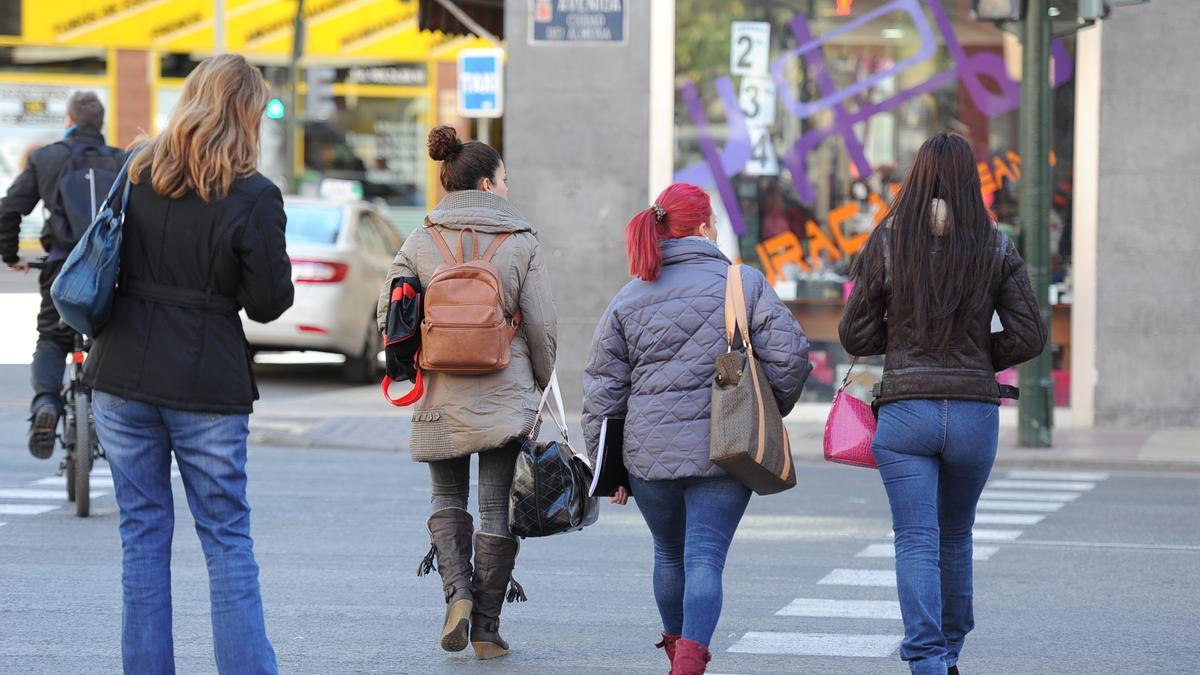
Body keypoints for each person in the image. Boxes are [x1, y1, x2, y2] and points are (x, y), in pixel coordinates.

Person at [84, 54, 293, 674]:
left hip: (120, 373)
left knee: (142, 539)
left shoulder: (138, 168)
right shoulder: (254, 195)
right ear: (248, 115)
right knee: (226, 539)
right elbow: (267, 303)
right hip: (206, 382)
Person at [839, 132, 1048, 675]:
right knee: (955, 536)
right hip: (975, 412)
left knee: (915, 540)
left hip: (907, 412)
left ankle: (928, 661)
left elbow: (856, 332)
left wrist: (910, 342)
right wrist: (977, 354)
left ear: (916, 176)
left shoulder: (888, 241)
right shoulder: (995, 243)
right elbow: (1029, 337)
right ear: (969, 181)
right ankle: (951, 649)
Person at [582, 183, 812, 675]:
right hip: (724, 449)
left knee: (669, 553)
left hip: (647, 457)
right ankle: (689, 662)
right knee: (705, 557)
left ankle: (675, 652)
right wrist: (769, 412)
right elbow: (791, 358)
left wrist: (610, 469)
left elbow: (603, 391)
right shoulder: (741, 283)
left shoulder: (628, 297)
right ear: (706, 226)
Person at [375, 125, 557, 661]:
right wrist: (540, 383)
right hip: (505, 393)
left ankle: (456, 595)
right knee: (497, 506)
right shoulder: (521, 241)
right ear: (485, 183)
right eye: (503, 179)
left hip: (439, 391)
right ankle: (486, 628)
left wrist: (413, 363)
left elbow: (391, 314)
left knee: (446, 498)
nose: (506, 187)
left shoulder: (420, 239)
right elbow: (543, 326)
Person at [0, 91, 125, 458]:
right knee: (110, 338)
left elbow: (9, 210)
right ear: (100, 124)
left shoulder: (47, 157)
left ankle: (46, 404)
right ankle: (108, 419)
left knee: (53, 339)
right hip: (109, 269)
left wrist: (11, 255)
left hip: (61, 268)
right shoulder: (122, 161)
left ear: (69, 121)